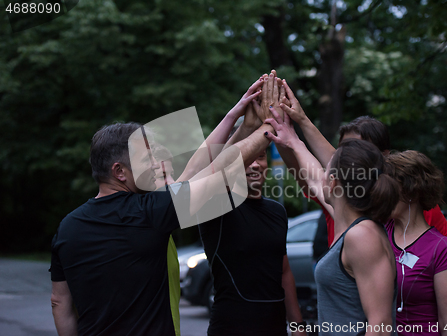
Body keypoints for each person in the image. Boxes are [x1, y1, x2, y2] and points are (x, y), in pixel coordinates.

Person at [49, 76, 280, 336]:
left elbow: (60, 302)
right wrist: (269, 128)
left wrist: (236, 119)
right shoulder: (150, 212)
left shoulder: (67, 227)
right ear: (120, 172)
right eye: (147, 158)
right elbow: (216, 174)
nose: (155, 164)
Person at [273, 80, 447, 247]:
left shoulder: (412, 203)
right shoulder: (342, 192)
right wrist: (291, 126)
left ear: (384, 157)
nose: (347, 158)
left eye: (358, 150)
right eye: (345, 150)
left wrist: (296, 130)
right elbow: (315, 171)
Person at [266, 110, 399, 335]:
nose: (322, 172)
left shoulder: (362, 236)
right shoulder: (350, 222)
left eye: (326, 169)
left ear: (334, 181)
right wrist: (293, 140)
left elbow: (381, 325)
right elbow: (314, 177)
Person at [198, 72, 306, 336]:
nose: (255, 164)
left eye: (261, 157)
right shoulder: (216, 205)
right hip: (230, 328)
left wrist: (298, 325)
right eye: (249, 158)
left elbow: (283, 271)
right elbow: (210, 170)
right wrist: (249, 127)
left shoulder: (276, 211)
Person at [385, 150, 447, 336]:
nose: (382, 193)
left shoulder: (441, 248)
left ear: (412, 190)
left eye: (389, 187)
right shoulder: (377, 232)